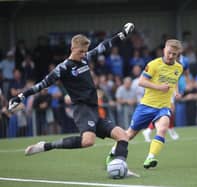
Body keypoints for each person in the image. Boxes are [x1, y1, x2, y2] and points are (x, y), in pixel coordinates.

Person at [8, 23, 134, 170]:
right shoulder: (63, 68)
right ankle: (45, 146)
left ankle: (120, 165)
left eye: (85, 51)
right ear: (72, 48)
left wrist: (122, 34)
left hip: (94, 109)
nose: (83, 54)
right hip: (82, 109)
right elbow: (42, 84)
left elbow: (103, 46)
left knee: (123, 136)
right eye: (81, 51)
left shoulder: (85, 58)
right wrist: (21, 96)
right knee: (88, 141)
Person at [107, 39, 183, 169]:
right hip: (146, 106)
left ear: (178, 54)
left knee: (163, 128)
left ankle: (150, 158)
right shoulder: (153, 64)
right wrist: (159, 87)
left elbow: (174, 81)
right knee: (129, 134)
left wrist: (176, 92)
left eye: (174, 54)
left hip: (163, 107)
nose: (171, 56)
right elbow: (142, 82)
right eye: (169, 52)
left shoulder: (179, 67)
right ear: (164, 50)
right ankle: (112, 153)